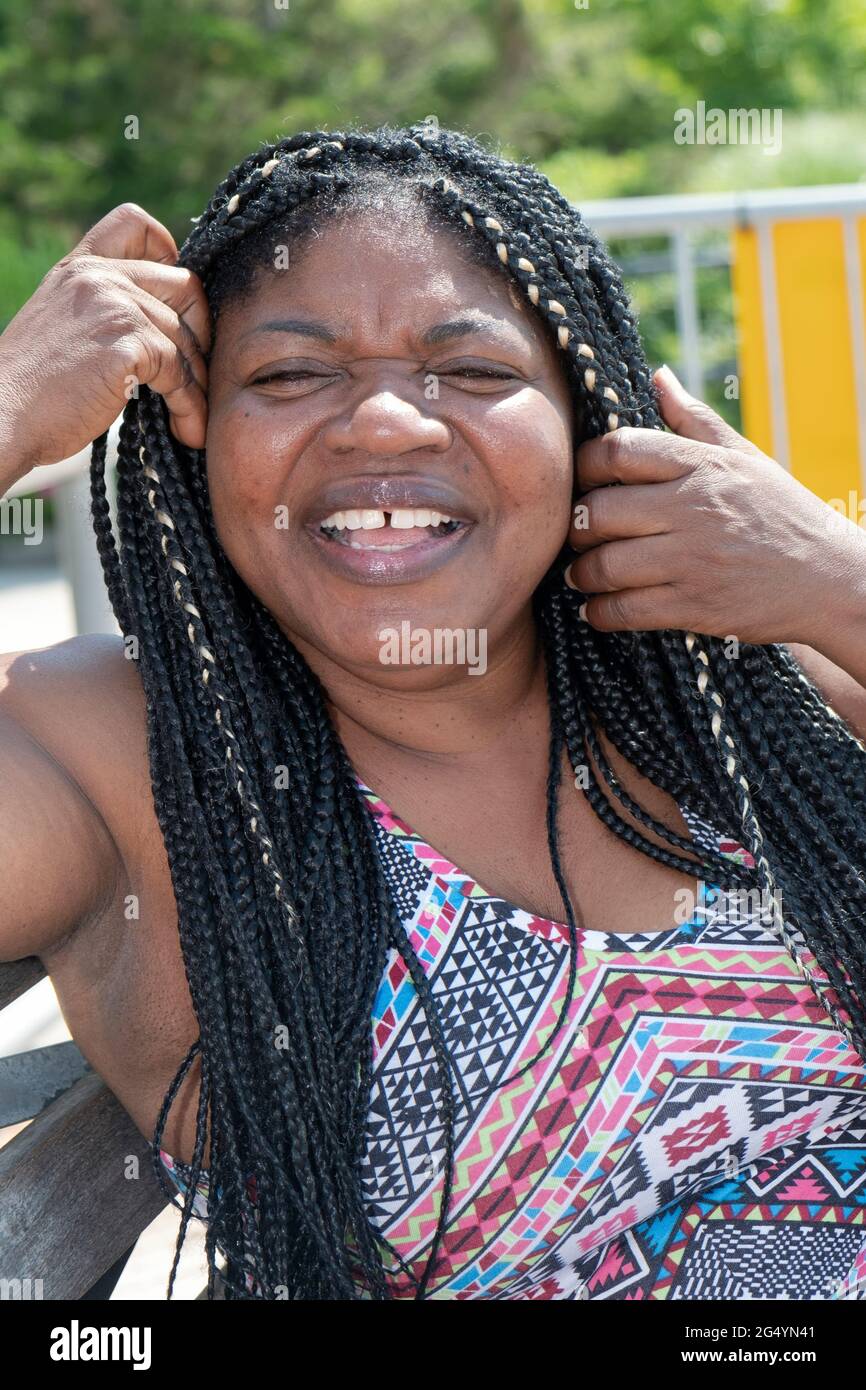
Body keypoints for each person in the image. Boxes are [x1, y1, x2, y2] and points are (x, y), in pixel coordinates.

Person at [2, 122, 866, 1302]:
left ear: (587, 421)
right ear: (196, 440)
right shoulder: (124, 755)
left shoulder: (735, 695)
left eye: (471, 372)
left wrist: (836, 579)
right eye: (292, 375)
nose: (386, 424)